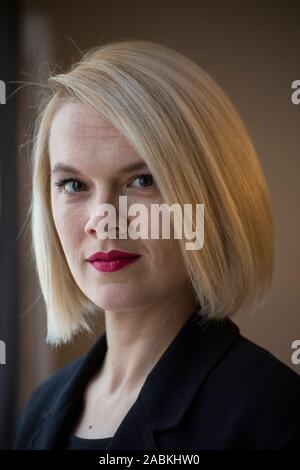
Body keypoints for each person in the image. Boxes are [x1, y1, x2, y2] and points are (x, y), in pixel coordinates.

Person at [15, 40, 299, 450]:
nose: (103, 219)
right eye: (74, 185)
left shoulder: (273, 414)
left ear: (210, 199)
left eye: (142, 181)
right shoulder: (37, 411)